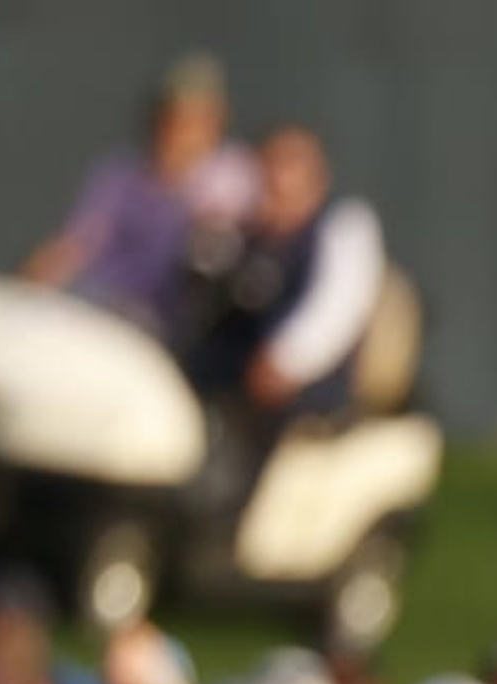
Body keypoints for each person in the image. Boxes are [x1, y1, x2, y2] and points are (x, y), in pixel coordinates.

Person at [22, 53, 257, 340]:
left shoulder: (235, 180)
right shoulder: (120, 173)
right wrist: (37, 277)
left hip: (167, 328)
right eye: (172, 119)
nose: (181, 133)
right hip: (99, 303)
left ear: (215, 124)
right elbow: (79, 242)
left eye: (194, 121)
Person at [189, 124, 384, 433]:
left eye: (290, 165)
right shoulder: (243, 235)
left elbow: (339, 305)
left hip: (300, 399)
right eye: (270, 164)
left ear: (316, 179)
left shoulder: (340, 229)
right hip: (226, 388)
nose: (277, 177)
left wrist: (287, 360)